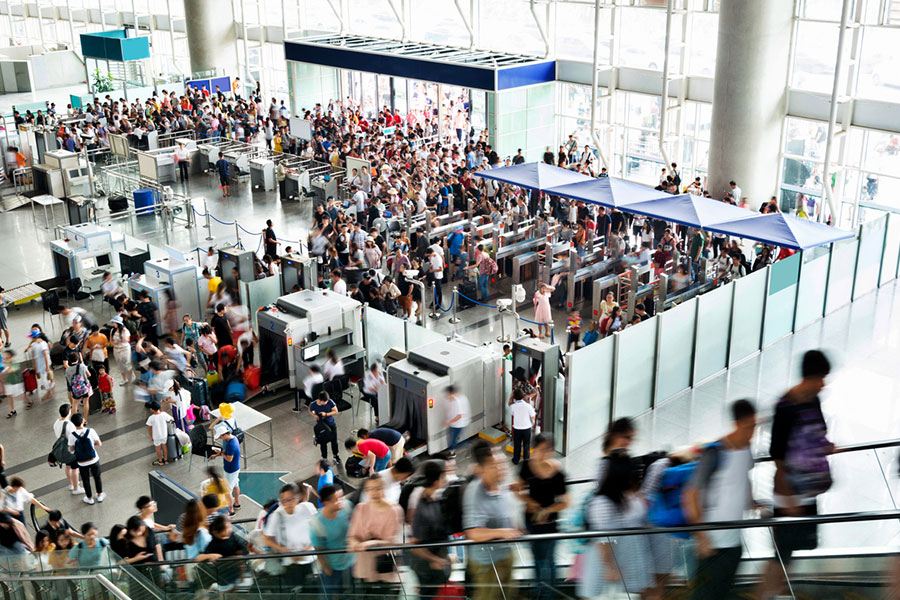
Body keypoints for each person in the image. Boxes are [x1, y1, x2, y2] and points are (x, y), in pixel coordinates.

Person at [757, 351, 834, 600]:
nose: (824, 383)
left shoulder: (813, 400)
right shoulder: (786, 405)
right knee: (782, 552)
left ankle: (777, 592)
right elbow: (777, 454)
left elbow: (816, 434)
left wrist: (825, 445)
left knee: (792, 549)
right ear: (811, 376)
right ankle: (768, 593)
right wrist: (787, 498)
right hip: (789, 491)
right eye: (822, 377)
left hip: (808, 490)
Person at [685, 399, 757, 600]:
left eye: (754, 426)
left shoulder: (747, 449)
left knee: (723, 592)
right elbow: (690, 495)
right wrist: (701, 536)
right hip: (711, 543)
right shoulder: (715, 452)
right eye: (748, 427)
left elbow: (744, 478)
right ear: (736, 423)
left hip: (733, 541)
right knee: (704, 595)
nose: (752, 432)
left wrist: (752, 501)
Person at [577, 450, 654, 599]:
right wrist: (610, 567)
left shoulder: (631, 495)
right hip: (612, 557)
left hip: (632, 553)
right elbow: (603, 539)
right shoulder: (603, 502)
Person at [513, 433, 568, 599]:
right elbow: (517, 490)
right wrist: (531, 502)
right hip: (531, 521)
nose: (545, 453)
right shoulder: (526, 467)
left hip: (550, 522)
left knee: (549, 559)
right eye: (541, 449)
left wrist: (547, 510)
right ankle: (539, 589)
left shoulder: (557, 472)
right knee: (537, 557)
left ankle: (548, 594)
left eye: (548, 449)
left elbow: (565, 502)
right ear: (534, 449)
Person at [463, 440, 521, 600]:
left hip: (505, 554)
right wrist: (503, 532)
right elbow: (473, 533)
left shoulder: (500, 484)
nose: (501, 469)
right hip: (488, 564)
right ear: (480, 470)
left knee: (508, 595)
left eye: (502, 463)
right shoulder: (475, 493)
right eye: (494, 466)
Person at [347, 475, 404, 593]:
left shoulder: (394, 509)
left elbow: (392, 541)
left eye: (377, 488)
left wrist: (371, 543)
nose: (374, 493)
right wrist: (354, 542)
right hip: (365, 567)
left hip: (385, 566)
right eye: (369, 489)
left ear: (384, 488)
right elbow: (353, 534)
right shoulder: (361, 508)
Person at [408, 460, 451, 600]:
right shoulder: (423, 508)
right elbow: (414, 545)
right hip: (427, 568)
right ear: (437, 480)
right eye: (444, 476)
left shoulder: (435, 498)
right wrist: (435, 559)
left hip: (436, 564)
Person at [263, 482, 318, 590]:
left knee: (311, 590)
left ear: (298, 498)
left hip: (310, 559)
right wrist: (285, 550)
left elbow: (318, 530)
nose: (287, 503)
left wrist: (306, 549)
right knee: (295, 589)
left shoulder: (307, 508)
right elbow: (267, 539)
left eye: (291, 499)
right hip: (290, 564)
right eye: (283, 500)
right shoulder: (277, 515)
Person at [67, 413, 105, 505]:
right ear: (83, 421)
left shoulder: (72, 435)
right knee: (97, 477)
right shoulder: (90, 431)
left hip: (81, 462)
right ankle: (99, 495)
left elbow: (71, 449)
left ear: (73, 424)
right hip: (93, 459)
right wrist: (92, 444)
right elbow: (99, 443)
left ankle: (89, 498)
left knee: (85, 480)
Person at [203, 515, 248, 590]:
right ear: (216, 532)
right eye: (227, 528)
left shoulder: (232, 536)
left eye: (230, 527)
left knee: (234, 587)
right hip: (223, 574)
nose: (230, 530)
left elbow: (244, 548)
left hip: (236, 571)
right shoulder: (211, 542)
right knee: (224, 591)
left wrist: (240, 555)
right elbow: (207, 556)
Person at [212, 425, 242, 512]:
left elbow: (229, 459)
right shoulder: (233, 439)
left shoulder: (231, 445)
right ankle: (237, 503)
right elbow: (227, 453)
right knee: (236, 485)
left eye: (221, 436)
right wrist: (218, 454)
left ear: (225, 434)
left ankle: (231, 510)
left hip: (231, 470)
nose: (221, 439)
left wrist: (220, 453)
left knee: (227, 491)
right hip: (235, 468)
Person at [54, 404, 82, 494]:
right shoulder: (69, 424)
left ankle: (71, 484)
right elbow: (74, 437)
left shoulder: (56, 422)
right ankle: (76, 488)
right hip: (70, 449)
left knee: (68, 466)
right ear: (69, 412)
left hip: (62, 449)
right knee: (75, 468)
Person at [310, 390, 340, 464]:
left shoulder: (330, 402)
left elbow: (336, 411)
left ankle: (335, 455)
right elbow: (310, 409)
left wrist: (326, 414)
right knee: (323, 443)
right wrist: (314, 416)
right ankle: (324, 458)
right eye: (325, 401)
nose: (327, 402)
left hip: (331, 424)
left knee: (334, 441)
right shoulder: (314, 404)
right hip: (321, 426)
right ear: (320, 400)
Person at [510, 388, 536, 465]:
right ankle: (526, 460)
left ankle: (516, 460)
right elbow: (533, 417)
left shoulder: (513, 406)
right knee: (526, 445)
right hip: (527, 428)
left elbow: (513, 414)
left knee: (517, 445)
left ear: (514, 397)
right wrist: (532, 424)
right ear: (522, 395)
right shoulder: (528, 406)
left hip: (517, 428)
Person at [443, 385, 470, 456]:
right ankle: (452, 451)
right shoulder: (454, 399)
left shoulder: (459, 401)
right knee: (451, 438)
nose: (446, 396)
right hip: (453, 423)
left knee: (453, 440)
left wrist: (449, 422)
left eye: (447, 394)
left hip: (459, 424)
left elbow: (459, 416)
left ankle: (465, 447)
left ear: (451, 393)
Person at [146, 401, 174, 466]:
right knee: (164, 446)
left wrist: (151, 437)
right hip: (164, 434)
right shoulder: (164, 414)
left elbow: (150, 428)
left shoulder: (151, 418)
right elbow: (172, 419)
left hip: (156, 436)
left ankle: (160, 461)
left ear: (152, 409)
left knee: (158, 448)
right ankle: (166, 460)